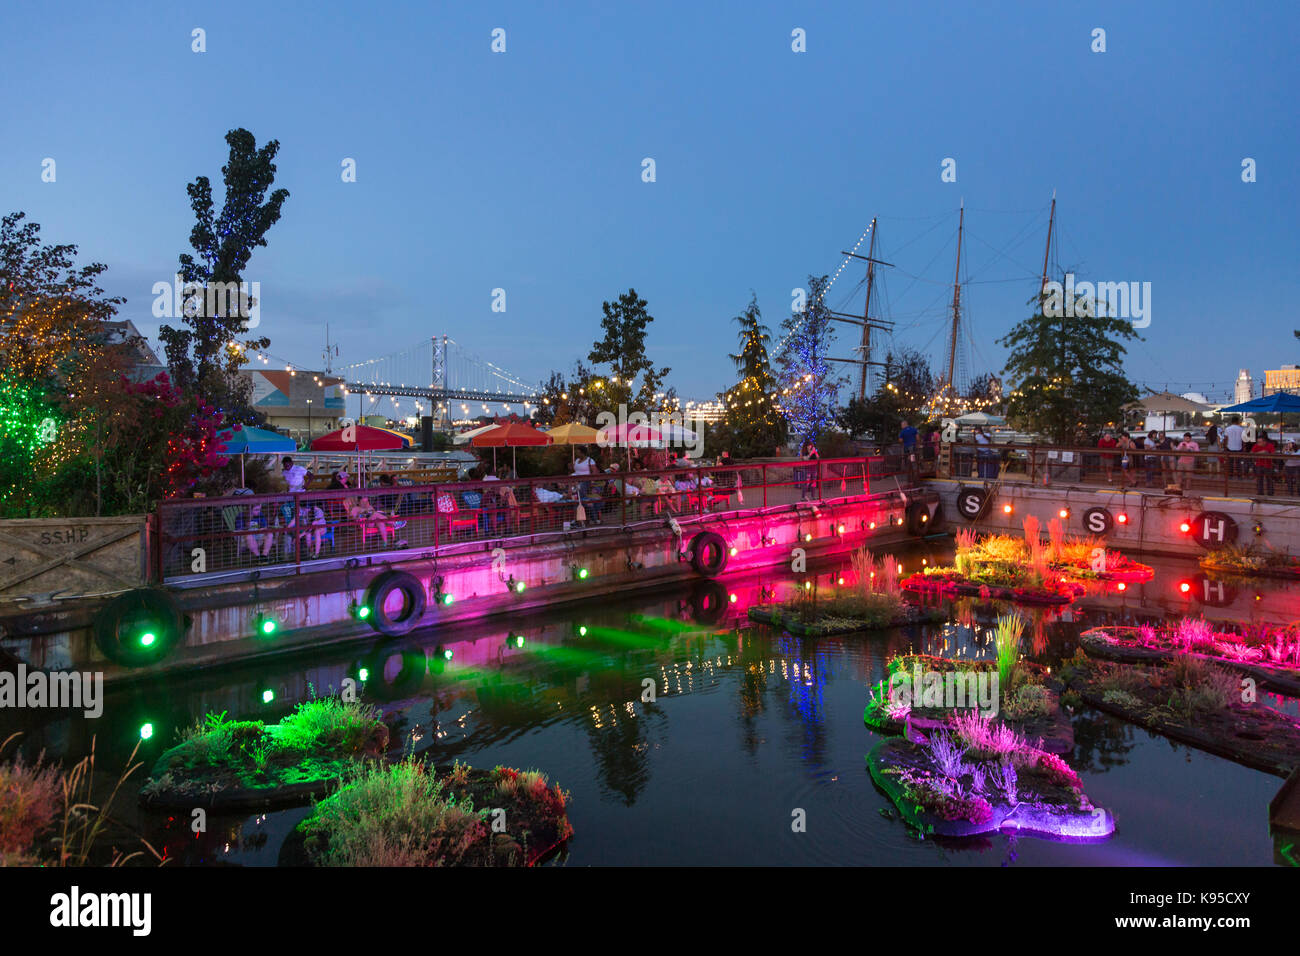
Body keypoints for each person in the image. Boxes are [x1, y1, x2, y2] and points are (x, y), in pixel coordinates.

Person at [1253, 431, 1277, 497]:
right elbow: (1251, 453)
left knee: (1269, 479)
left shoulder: (1270, 445)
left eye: (1259, 442)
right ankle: (1260, 492)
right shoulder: (1256, 445)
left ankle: (1270, 493)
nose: (1258, 443)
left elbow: (1273, 454)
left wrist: (1267, 453)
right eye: (1257, 442)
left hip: (1268, 465)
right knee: (1259, 479)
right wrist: (1261, 452)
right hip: (1259, 464)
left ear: (1264, 442)